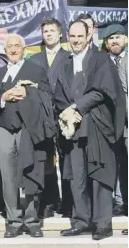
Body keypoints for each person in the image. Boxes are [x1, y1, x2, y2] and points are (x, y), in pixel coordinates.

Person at [55, 20, 125, 240]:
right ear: (67, 36)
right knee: (76, 175)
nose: (76, 40)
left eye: (80, 36)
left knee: (99, 173)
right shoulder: (64, 63)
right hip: (73, 128)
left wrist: (77, 107)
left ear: (89, 36)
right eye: (72, 36)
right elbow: (58, 94)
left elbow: (102, 90)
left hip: (96, 125)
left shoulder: (100, 59)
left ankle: (102, 224)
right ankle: (80, 220)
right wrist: (67, 111)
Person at [0, 33, 55, 238]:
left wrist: (29, 93)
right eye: (9, 47)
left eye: (17, 46)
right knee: (8, 177)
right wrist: (3, 98)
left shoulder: (36, 70)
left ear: (24, 49)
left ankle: (32, 220)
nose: (13, 49)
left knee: (31, 172)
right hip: (4, 129)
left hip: (29, 130)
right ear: (5, 51)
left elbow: (48, 98)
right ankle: (13, 220)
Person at [29, 18, 72, 218]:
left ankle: (69, 203)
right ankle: (48, 202)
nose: (48, 34)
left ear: (60, 33)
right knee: (45, 161)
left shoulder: (69, 56)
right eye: (45, 31)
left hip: (64, 115)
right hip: (42, 117)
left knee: (67, 160)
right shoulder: (35, 60)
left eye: (52, 30)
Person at [102, 24, 128, 235]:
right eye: (110, 38)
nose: (114, 41)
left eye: (118, 37)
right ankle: (118, 201)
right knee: (114, 163)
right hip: (108, 125)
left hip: (127, 122)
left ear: (126, 39)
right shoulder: (102, 61)